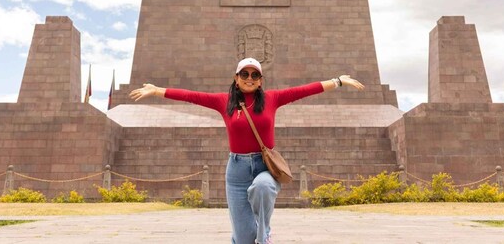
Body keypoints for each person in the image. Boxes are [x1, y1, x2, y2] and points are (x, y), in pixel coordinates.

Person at [129, 57, 365, 244]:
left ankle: (265, 236)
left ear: (261, 80)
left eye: (255, 75)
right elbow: (192, 96)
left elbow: (305, 90)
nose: (249, 78)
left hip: (265, 166)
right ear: (236, 77)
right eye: (245, 74)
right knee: (242, 239)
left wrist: (338, 81)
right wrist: (157, 90)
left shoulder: (273, 98)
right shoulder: (224, 102)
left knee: (263, 188)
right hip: (237, 171)